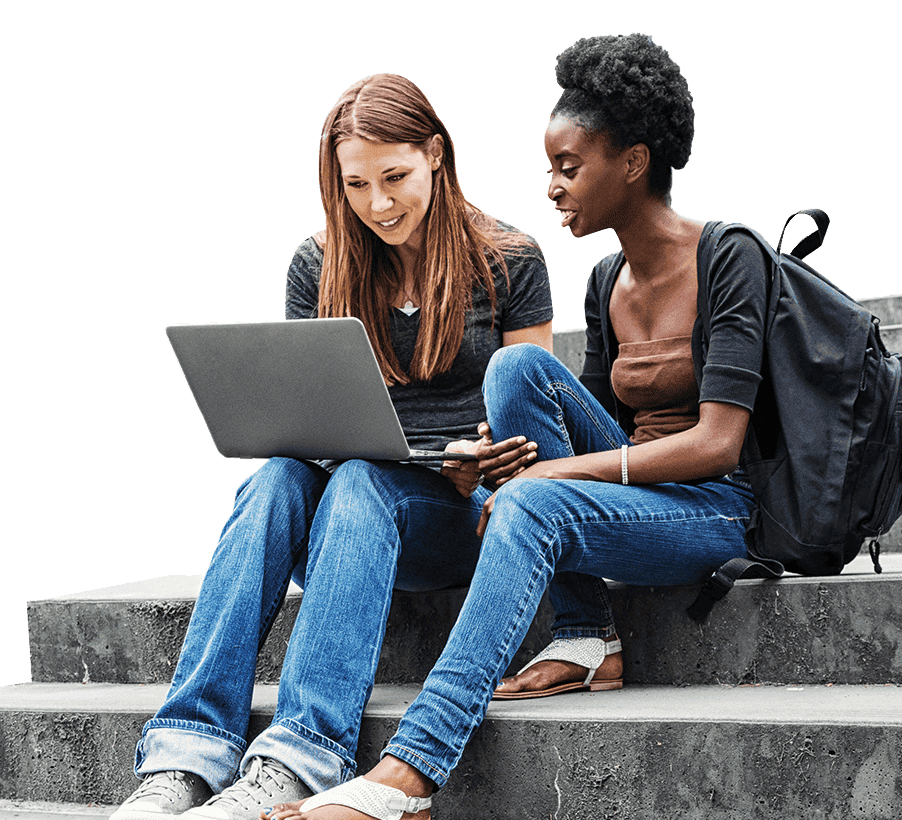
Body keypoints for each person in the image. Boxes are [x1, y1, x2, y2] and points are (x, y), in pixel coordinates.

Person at [261, 31, 765, 820]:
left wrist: (545, 476)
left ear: (631, 162)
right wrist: (530, 465)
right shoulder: (607, 278)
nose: (553, 188)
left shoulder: (734, 256)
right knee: (519, 370)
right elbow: (580, 423)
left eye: (568, 168)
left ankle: (412, 771)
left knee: (529, 488)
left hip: (718, 505)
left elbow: (718, 444)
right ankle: (586, 631)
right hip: (632, 490)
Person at [109, 73, 552, 820]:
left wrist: (481, 455)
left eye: (395, 177)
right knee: (279, 476)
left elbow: (534, 425)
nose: (378, 204)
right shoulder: (317, 264)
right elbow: (305, 420)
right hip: (350, 522)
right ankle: (184, 758)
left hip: (460, 515)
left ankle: (300, 757)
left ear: (437, 155)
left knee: (359, 484)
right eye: (356, 184)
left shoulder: (511, 259)